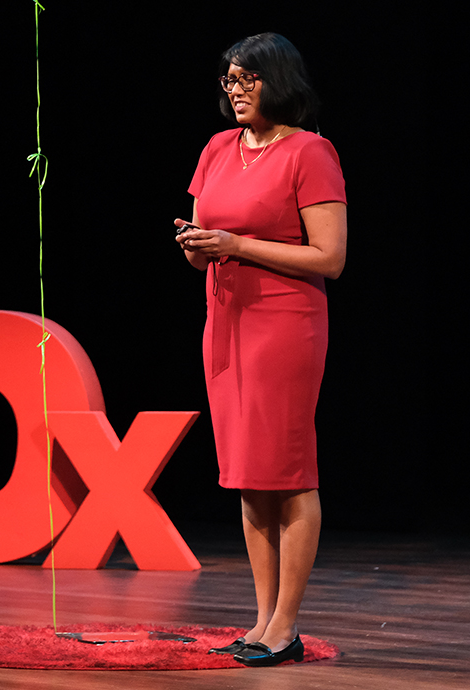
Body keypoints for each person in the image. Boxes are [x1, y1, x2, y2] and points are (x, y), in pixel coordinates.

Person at [174, 32, 346, 668]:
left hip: (284, 324)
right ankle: (261, 619)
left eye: (249, 80)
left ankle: (287, 624)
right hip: (224, 320)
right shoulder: (217, 148)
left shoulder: (311, 151)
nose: (237, 91)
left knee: (288, 470)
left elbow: (330, 257)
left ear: (280, 82)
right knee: (249, 472)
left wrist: (236, 245)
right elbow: (204, 243)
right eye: (230, 81)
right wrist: (197, 246)